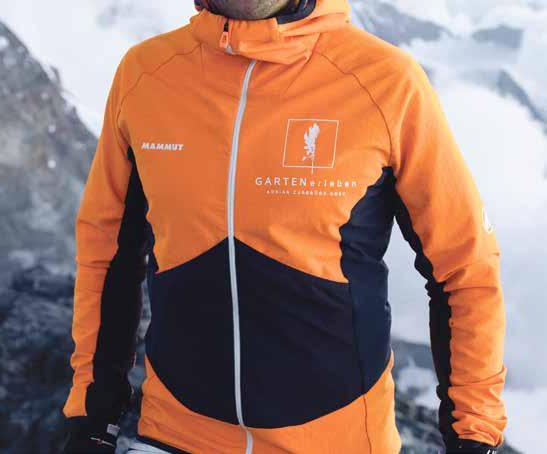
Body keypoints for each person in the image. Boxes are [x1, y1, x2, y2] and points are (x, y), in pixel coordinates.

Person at [61, 0, 507, 452]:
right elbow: (107, 251)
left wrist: (473, 434)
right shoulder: (146, 76)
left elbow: (464, 264)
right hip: (173, 436)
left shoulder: (386, 82)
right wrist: (92, 418)